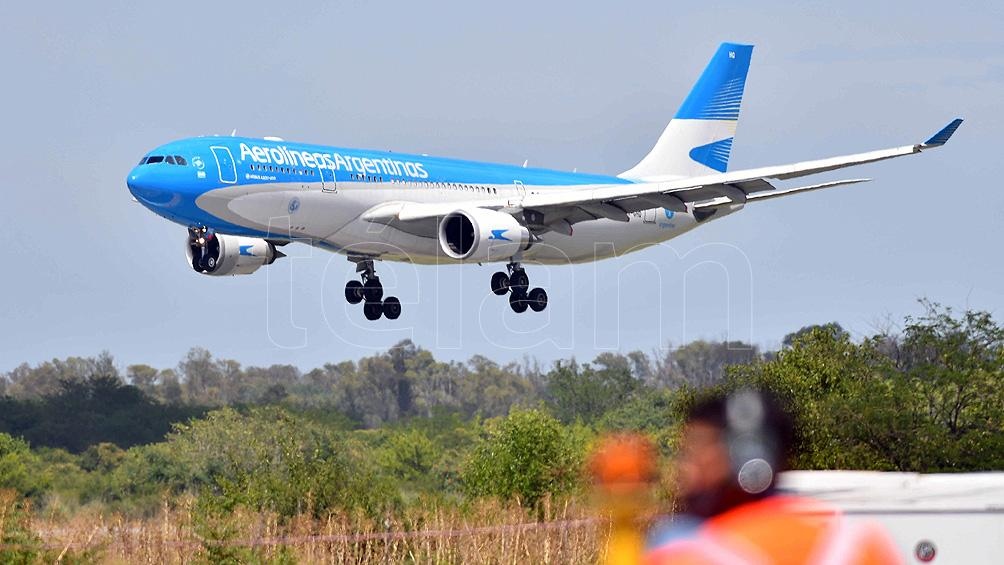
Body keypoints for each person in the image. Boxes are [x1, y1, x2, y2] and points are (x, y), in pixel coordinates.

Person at [645, 389, 901, 564]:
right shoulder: (857, 544)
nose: (681, 470)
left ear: (746, 454)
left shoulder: (685, 554)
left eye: (692, 452)